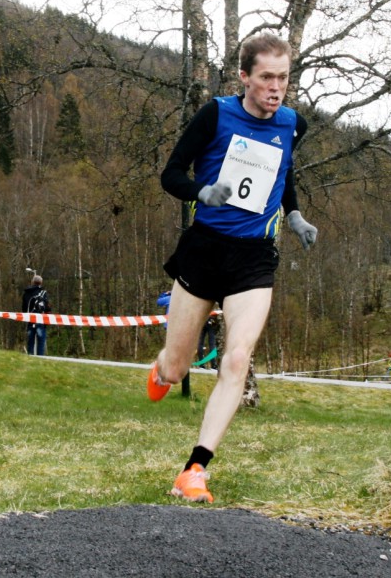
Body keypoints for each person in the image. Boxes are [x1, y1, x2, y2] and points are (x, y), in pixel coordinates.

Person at [146, 31, 317, 504]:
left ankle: (195, 470)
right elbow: (171, 173)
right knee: (177, 369)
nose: (276, 88)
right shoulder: (216, 115)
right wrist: (200, 192)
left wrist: (295, 214)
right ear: (244, 76)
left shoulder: (293, 124)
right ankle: (161, 369)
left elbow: (283, 169)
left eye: (283, 78)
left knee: (237, 358)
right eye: (266, 77)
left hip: (254, 256)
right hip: (205, 248)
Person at [22, 275, 50, 356]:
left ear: (32, 282)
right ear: (41, 282)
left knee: (30, 341)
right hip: (40, 319)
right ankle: (40, 358)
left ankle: (30, 356)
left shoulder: (26, 293)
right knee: (41, 341)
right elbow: (47, 307)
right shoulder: (43, 293)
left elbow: (24, 308)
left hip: (30, 319)